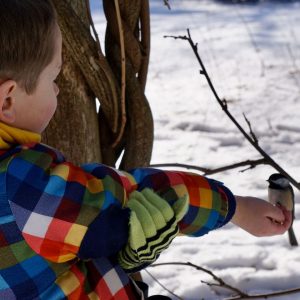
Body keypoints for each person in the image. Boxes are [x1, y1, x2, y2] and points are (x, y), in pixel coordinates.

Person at [0, 0, 292, 299]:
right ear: (8, 100)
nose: (58, 89)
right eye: (53, 78)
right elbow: (142, 197)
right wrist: (235, 209)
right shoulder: (23, 184)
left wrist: (116, 243)